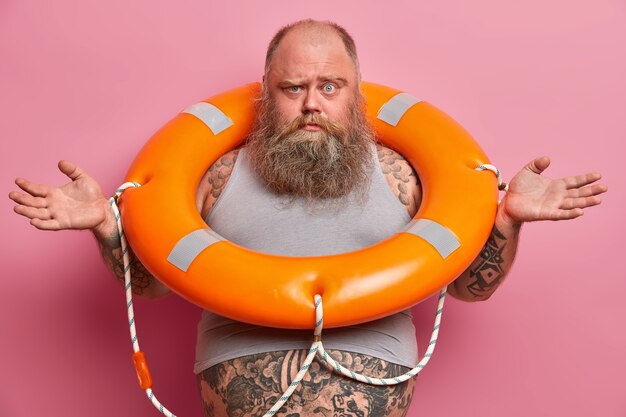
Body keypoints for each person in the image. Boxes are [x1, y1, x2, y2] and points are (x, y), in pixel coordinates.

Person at [9, 19, 607, 417]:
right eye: (293, 87)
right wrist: (107, 226)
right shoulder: (215, 175)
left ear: (357, 93)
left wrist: (507, 222)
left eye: (330, 86)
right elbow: (154, 285)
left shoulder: (403, 175)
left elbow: (469, 287)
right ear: (267, 93)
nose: (312, 103)